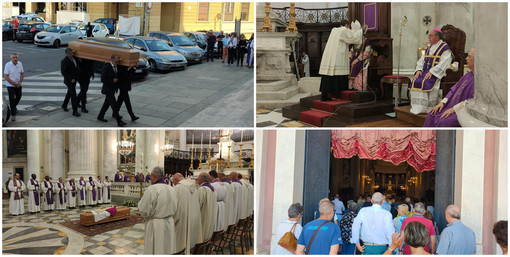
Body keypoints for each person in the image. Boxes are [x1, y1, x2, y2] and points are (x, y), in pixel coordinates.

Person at [424, 48, 475, 127]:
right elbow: (453, 90)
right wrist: (442, 103)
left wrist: (454, 109)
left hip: (461, 111)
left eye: (469, 56)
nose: (466, 58)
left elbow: (472, 101)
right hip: (449, 106)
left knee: (444, 122)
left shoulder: (479, 81)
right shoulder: (467, 75)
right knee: (432, 114)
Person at [318, 20, 367, 101]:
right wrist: (362, 30)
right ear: (347, 25)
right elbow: (352, 37)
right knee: (337, 72)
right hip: (338, 56)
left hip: (330, 55)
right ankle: (337, 92)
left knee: (328, 74)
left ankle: (324, 95)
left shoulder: (334, 30)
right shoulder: (343, 30)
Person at [409, 28, 453, 114]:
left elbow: (444, 63)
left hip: (435, 73)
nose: (428, 38)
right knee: (415, 80)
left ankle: (427, 108)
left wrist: (432, 72)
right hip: (425, 72)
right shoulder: (429, 49)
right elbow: (421, 60)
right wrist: (418, 70)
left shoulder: (445, 48)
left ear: (437, 37)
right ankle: (418, 108)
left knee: (425, 82)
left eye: (430, 36)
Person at [138, 166, 177, 254]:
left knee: (156, 249)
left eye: (151, 177)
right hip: (170, 222)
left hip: (156, 225)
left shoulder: (152, 189)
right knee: (168, 248)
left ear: (154, 176)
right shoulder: (172, 189)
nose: (150, 179)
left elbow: (143, 209)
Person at [172, 172, 202, 254]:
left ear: (176, 179)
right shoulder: (194, 187)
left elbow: (174, 207)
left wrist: (172, 220)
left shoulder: (178, 188)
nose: (173, 184)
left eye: (173, 182)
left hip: (182, 220)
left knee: (179, 243)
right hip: (193, 218)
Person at [97, 54, 126, 127]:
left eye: (118, 61)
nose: (117, 62)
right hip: (108, 90)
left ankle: (100, 116)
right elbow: (102, 79)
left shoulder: (116, 67)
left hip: (112, 89)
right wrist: (112, 80)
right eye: (116, 61)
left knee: (106, 104)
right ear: (112, 60)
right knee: (114, 105)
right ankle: (119, 121)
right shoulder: (107, 67)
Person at [197, 172, 218, 242]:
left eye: (198, 177)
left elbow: (198, 204)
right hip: (210, 214)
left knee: (202, 231)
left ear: (202, 179)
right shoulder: (212, 189)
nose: (197, 179)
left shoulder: (202, 189)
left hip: (203, 215)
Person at [61, 48, 81, 117]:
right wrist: (71, 79)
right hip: (69, 80)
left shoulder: (74, 58)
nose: (72, 54)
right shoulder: (64, 61)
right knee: (73, 95)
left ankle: (64, 105)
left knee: (69, 93)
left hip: (75, 79)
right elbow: (64, 72)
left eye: (72, 53)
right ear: (67, 54)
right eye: (70, 54)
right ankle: (74, 111)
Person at [4, 53, 24, 119]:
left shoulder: (20, 64)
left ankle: (13, 107)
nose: (15, 59)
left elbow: (22, 74)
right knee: (11, 99)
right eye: (14, 58)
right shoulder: (8, 65)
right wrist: (13, 83)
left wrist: (20, 82)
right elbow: (6, 76)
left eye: (16, 57)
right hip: (10, 85)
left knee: (19, 96)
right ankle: (13, 114)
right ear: (11, 58)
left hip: (18, 84)